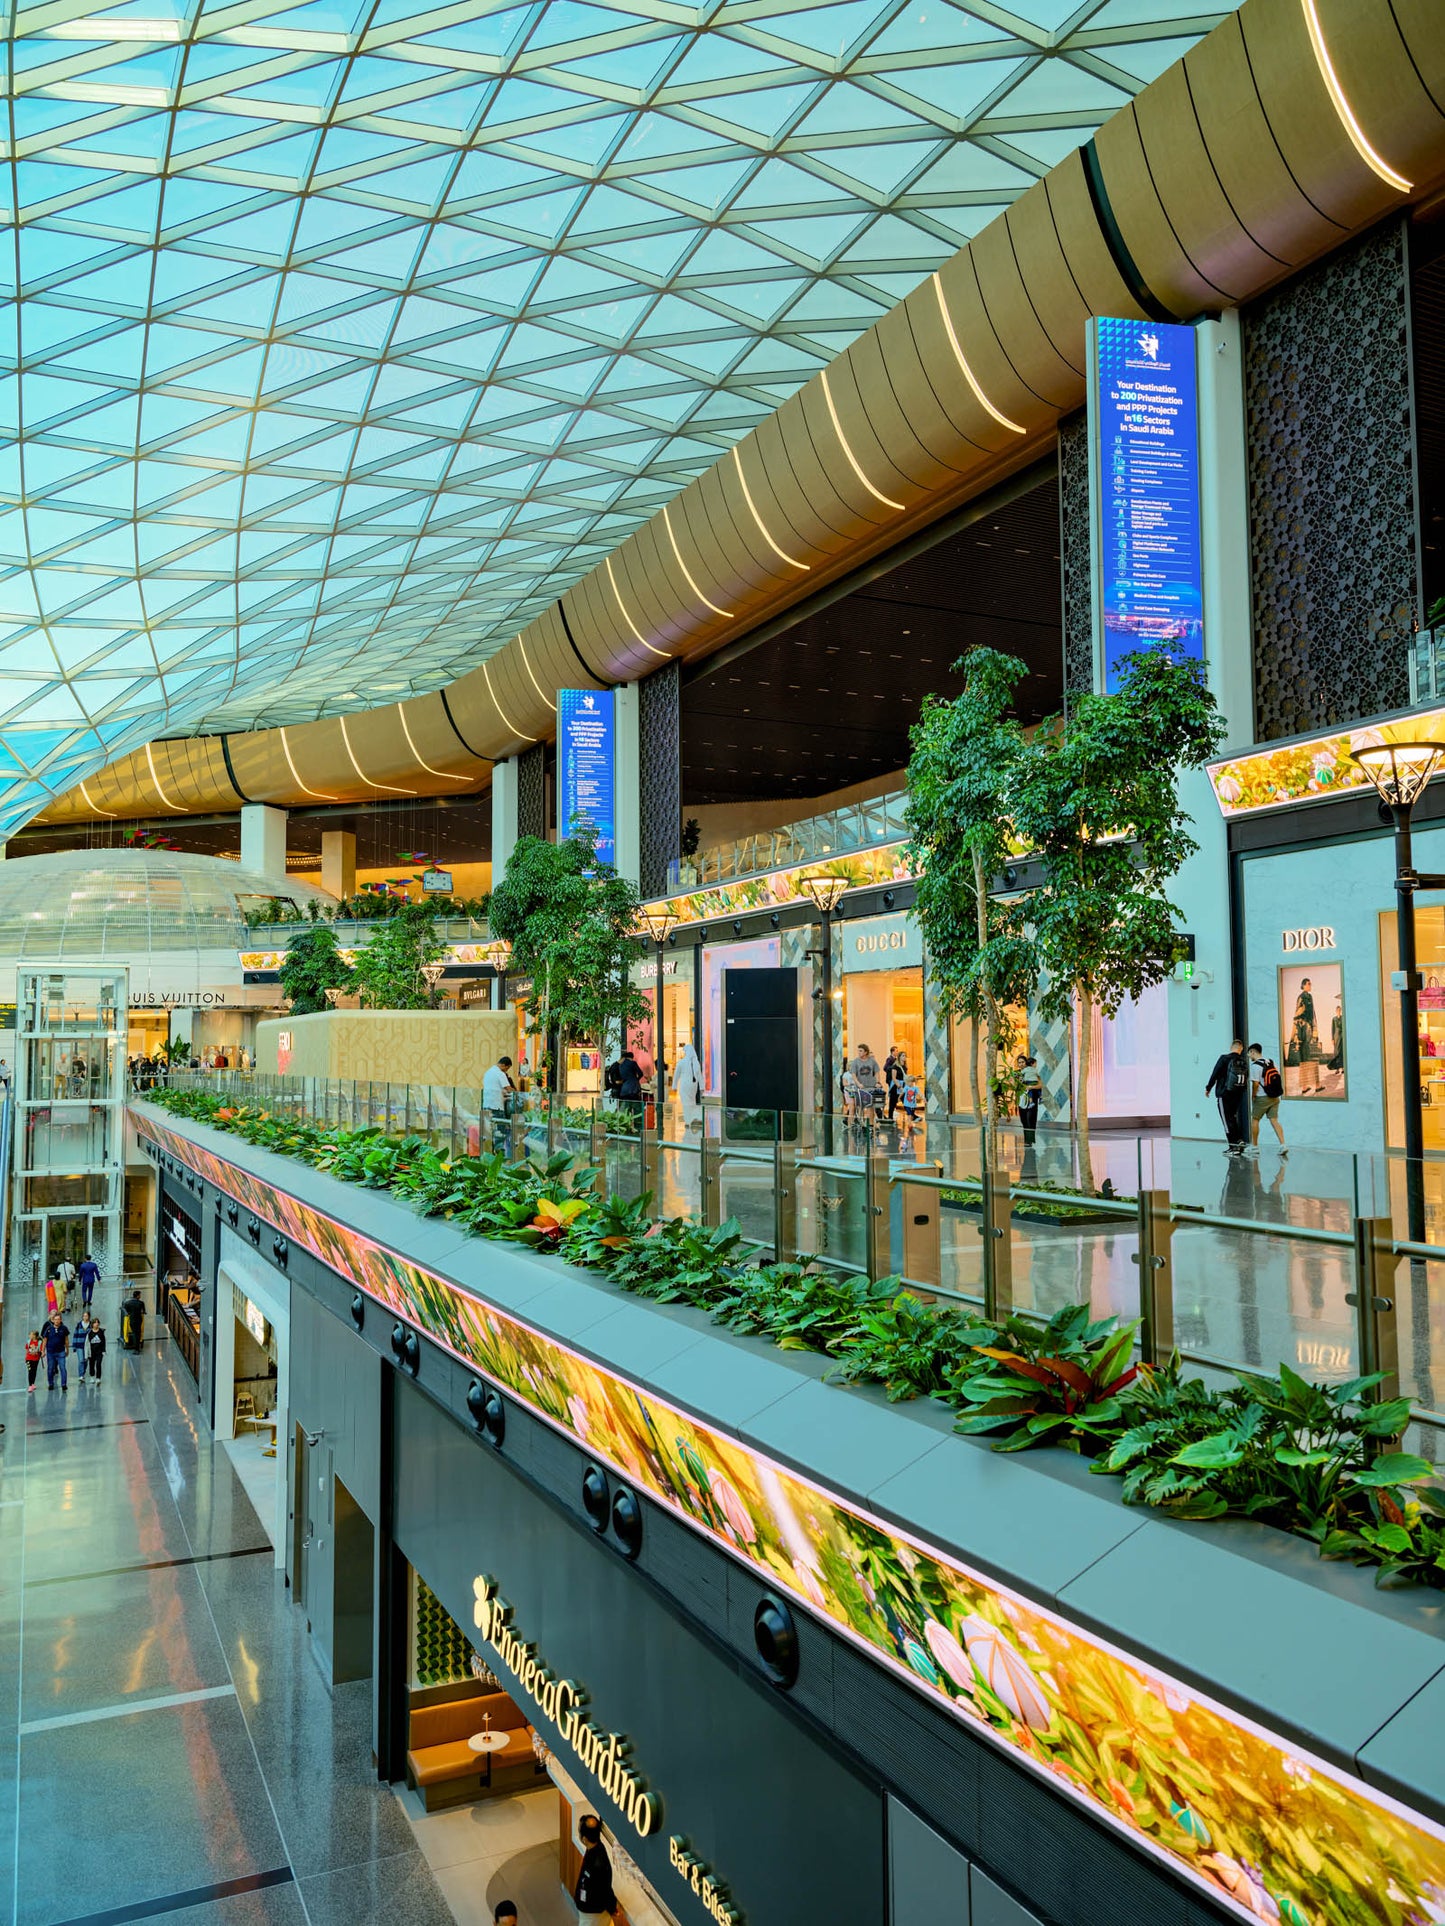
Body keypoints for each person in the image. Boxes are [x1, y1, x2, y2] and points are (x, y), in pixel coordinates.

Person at [1205, 1038, 1251, 1152]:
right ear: (1241, 1049)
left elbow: (1215, 1073)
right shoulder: (1243, 1061)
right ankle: (1239, 1140)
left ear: (1231, 1047)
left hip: (1224, 1094)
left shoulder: (1224, 1058)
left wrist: (1208, 1088)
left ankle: (1232, 1146)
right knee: (1233, 1118)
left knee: (1226, 1120)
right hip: (1238, 1094)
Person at [573, 1813, 617, 1923]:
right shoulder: (596, 1848)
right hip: (590, 1910)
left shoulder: (598, 1864)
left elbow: (605, 1888)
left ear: (584, 1839)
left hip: (593, 1914)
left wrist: (612, 1907)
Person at [1248, 1043, 1288, 1154]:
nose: (1249, 1056)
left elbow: (1255, 1084)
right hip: (1274, 1097)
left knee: (1255, 1120)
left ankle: (1254, 1147)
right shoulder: (1270, 1061)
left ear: (1253, 1051)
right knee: (1274, 1120)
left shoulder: (1255, 1066)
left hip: (1262, 1097)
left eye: (1249, 1053)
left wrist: (1253, 1096)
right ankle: (1283, 1145)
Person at [672, 1038, 704, 1129]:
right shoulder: (696, 1063)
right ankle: (693, 1118)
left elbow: (676, 1075)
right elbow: (699, 1076)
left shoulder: (681, 1062)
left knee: (686, 1103)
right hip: (693, 1086)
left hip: (684, 1085)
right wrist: (702, 1087)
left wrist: (674, 1086)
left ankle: (688, 1120)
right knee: (691, 1102)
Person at [848, 1043, 883, 1119]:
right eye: (858, 1051)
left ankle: (870, 1125)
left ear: (865, 1052)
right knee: (860, 1107)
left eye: (861, 1051)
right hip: (861, 1088)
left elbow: (877, 1072)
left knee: (871, 1107)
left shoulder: (872, 1061)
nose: (859, 1052)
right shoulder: (855, 1061)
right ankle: (861, 1124)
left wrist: (877, 1082)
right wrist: (858, 1083)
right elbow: (853, 1074)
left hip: (871, 1087)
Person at [482, 1055, 515, 1129]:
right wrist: (516, 1092)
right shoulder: (500, 1073)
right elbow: (509, 1089)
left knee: (489, 1130)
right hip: (496, 1106)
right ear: (503, 1065)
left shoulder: (488, 1072)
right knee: (502, 1130)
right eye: (507, 1068)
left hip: (486, 1105)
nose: (506, 1070)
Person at [1017, 1054, 1042, 1144]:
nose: (1021, 1064)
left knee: (1030, 1119)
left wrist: (1030, 1087)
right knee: (1023, 1120)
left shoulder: (1033, 1072)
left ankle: (1029, 1140)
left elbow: (1040, 1085)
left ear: (1026, 1063)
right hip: (1021, 1099)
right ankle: (1027, 1139)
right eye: (1019, 1063)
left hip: (1032, 1097)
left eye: (1023, 1062)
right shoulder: (1018, 1074)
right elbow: (1014, 1085)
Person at [43, 1311, 69, 1391]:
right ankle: (51, 1384)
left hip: (61, 1352)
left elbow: (66, 1340)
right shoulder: (48, 1329)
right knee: (50, 1368)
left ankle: (64, 1384)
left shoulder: (64, 1329)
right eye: (55, 1319)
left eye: (58, 1319)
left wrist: (67, 1349)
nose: (57, 1321)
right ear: (53, 1320)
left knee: (63, 1368)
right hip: (50, 1352)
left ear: (60, 1320)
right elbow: (45, 1340)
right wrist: (43, 1351)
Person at [122, 1284, 147, 1353]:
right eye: (140, 1295)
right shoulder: (141, 1303)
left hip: (131, 1320)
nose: (140, 1296)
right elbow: (144, 1311)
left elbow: (124, 1308)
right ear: (138, 1296)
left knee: (134, 1333)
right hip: (138, 1320)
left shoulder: (128, 1303)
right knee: (137, 1334)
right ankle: (136, 1348)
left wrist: (128, 1313)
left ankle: (135, 1347)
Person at [72, 1310, 91, 1382]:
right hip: (79, 1345)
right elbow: (75, 1335)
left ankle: (83, 1372)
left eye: (86, 1316)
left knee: (85, 1360)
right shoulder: (79, 1324)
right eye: (84, 1316)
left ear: (88, 1317)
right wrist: (74, 1346)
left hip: (87, 1346)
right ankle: (81, 1375)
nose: (85, 1317)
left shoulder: (91, 1325)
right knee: (81, 1360)